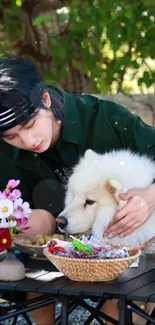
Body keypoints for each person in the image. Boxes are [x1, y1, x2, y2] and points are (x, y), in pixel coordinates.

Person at [0, 55, 155, 325]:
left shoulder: (104, 118)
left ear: (45, 100)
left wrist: (150, 197)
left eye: (29, 125)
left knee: (121, 302)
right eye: (11, 136)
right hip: (44, 260)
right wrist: (21, 223)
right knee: (33, 258)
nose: (28, 141)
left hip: (127, 250)